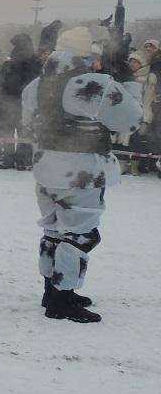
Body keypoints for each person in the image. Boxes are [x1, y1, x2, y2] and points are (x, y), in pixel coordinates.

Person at [21, 26, 143, 323]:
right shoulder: (92, 84)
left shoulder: (36, 84)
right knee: (79, 236)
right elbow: (131, 120)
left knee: (53, 231)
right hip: (81, 173)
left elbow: (29, 125)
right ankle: (62, 300)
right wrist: (126, 81)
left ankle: (51, 290)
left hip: (46, 168)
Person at [0, 34, 40, 169]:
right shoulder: (34, 62)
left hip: (15, 101)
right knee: (21, 131)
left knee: (13, 131)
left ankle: (12, 159)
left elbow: (0, 81)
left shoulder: (15, 63)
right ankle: (21, 160)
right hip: (18, 102)